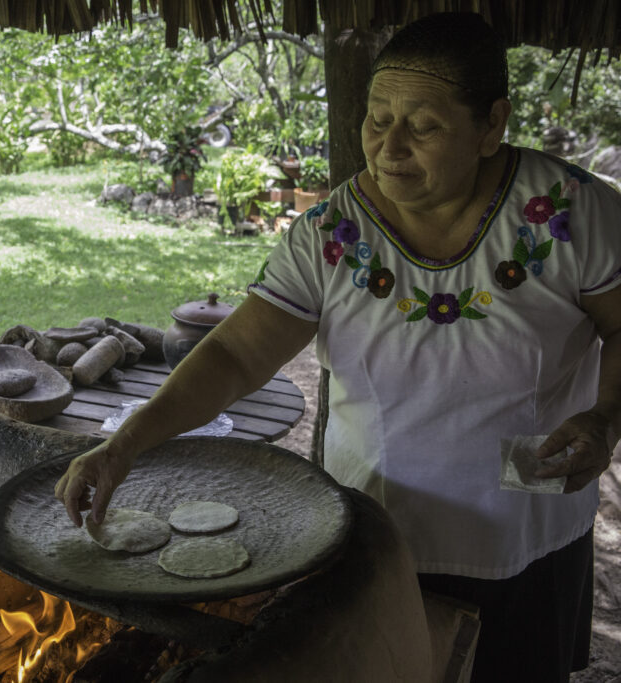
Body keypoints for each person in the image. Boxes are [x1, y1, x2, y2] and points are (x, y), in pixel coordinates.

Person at [54, 12, 621, 683]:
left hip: (526, 527)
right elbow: (237, 353)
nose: (389, 146)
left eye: (424, 124)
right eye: (377, 118)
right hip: (377, 532)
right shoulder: (334, 231)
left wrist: (605, 417)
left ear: (491, 124)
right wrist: (124, 444)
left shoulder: (570, 214)